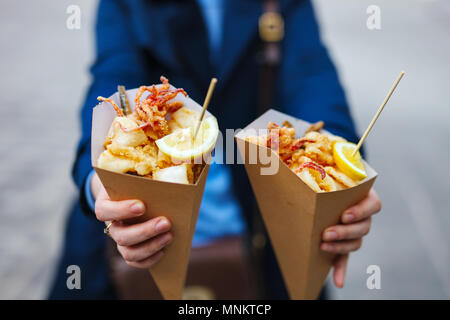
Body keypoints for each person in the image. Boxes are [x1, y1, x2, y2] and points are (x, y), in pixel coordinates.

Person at [49, 0, 381, 299]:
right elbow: (112, 77)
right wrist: (99, 183)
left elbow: (313, 77)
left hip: (261, 230)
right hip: (131, 232)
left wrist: (340, 177)